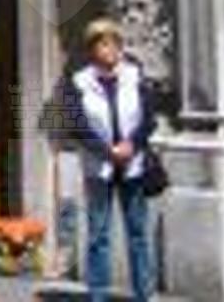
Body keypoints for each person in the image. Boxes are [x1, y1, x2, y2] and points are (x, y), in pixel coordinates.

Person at [63, 16, 156, 302]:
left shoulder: (135, 77)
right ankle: (98, 295)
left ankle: (144, 294)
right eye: (103, 44)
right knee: (98, 235)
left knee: (138, 232)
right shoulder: (79, 82)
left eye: (115, 43)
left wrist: (131, 144)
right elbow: (77, 125)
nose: (111, 49)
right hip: (99, 167)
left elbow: (149, 119)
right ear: (92, 49)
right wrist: (107, 151)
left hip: (132, 165)